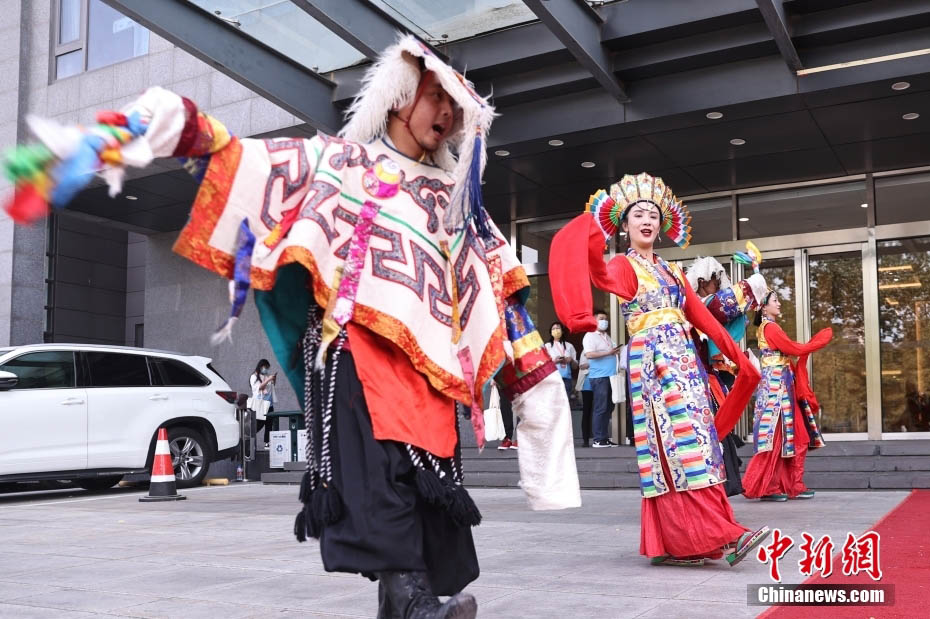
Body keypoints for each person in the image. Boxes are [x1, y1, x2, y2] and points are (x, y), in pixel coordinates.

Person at [7, 34, 581, 619]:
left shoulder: (458, 202)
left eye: (455, 107)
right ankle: (411, 600)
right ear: (399, 95)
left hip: (428, 371)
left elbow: (497, 284)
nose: (446, 114)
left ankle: (405, 602)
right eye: (436, 97)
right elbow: (248, 163)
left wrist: (531, 378)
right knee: (379, 472)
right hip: (356, 352)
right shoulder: (341, 163)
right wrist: (169, 126)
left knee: (426, 483)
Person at [550, 173, 770, 567]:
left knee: (700, 443)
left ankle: (688, 541)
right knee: (674, 446)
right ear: (626, 224)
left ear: (662, 224)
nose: (647, 220)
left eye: (653, 214)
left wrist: (738, 357)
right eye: (638, 215)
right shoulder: (622, 264)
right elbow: (601, 276)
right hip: (652, 362)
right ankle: (718, 536)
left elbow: (706, 318)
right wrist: (588, 239)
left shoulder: (671, 271)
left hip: (684, 361)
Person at [686, 256, 768, 497]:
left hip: (709, 376)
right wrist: (754, 281)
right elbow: (728, 301)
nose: (718, 285)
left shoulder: (705, 305)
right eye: (715, 280)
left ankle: (718, 490)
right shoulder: (699, 306)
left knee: (718, 432)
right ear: (702, 282)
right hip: (696, 379)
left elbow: (734, 308)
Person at [742, 291, 832, 502]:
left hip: (782, 385)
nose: (780, 304)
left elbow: (791, 350)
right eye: (775, 301)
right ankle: (768, 487)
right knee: (776, 437)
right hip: (776, 388)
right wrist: (816, 343)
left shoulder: (770, 327)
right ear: (764, 307)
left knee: (793, 436)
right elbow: (792, 348)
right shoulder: (770, 328)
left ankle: (793, 485)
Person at [582, 310, 620, 448]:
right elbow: (590, 354)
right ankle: (598, 439)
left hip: (611, 376)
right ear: (594, 321)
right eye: (601, 318)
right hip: (599, 377)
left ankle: (604, 437)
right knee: (600, 407)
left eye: (606, 319)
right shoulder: (590, 336)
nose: (605, 321)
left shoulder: (606, 336)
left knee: (609, 407)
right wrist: (608, 353)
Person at [545, 321, 577, 401]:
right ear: (551, 332)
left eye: (558, 328)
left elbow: (575, 366)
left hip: (566, 378)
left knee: (566, 402)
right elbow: (543, 365)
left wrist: (571, 360)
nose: (556, 330)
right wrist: (555, 361)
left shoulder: (569, 346)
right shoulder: (547, 346)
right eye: (553, 329)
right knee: (553, 402)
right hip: (553, 378)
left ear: (562, 331)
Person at [249, 359, 278, 447]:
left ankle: (267, 443)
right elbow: (259, 388)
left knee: (269, 423)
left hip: (269, 404)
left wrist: (273, 379)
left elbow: (271, 386)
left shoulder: (266, 376)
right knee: (259, 424)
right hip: (260, 404)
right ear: (261, 366)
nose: (266, 369)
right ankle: (248, 438)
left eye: (268, 368)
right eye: (266, 367)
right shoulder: (254, 376)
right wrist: (268, 379)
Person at [577, 352, 593, 447]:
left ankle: (600, 438)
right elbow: (582, 366)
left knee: (600, 411)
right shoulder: (586, 350)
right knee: (587, 412)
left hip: (601, 382)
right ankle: (585, 439)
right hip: (587, 385)